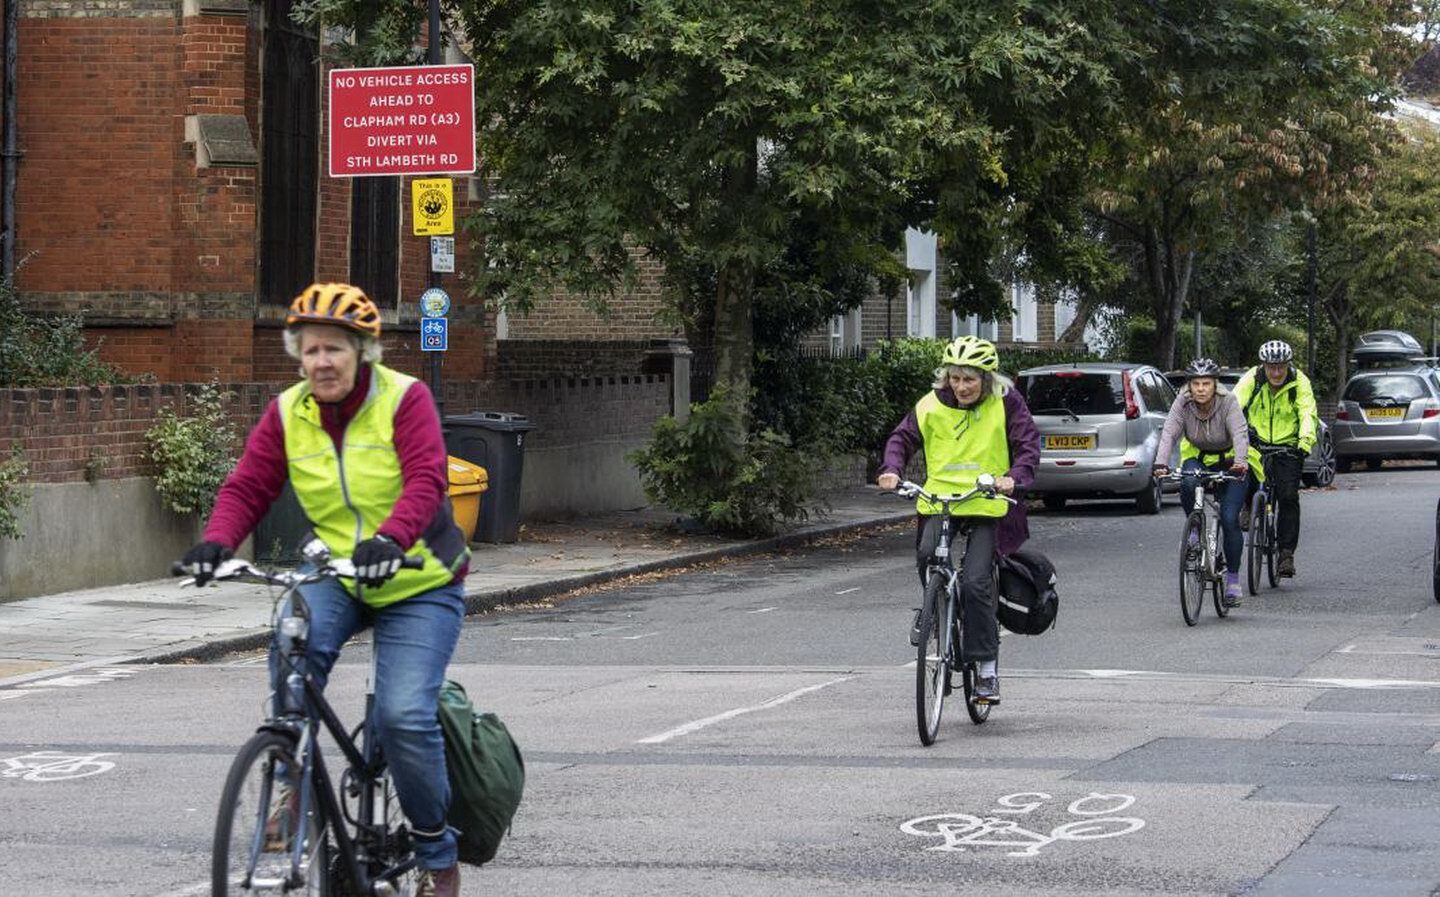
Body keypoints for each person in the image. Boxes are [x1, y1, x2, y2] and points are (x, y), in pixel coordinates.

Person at [181, 282, 470, 897]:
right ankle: (287, 829)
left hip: (417, 577)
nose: (322, 362)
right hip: (336, 575)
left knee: (403, 716)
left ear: (363, 351)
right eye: (311, 350)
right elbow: (248, 486)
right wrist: (217, 541)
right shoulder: (288, 411)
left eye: (335, 349)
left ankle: (436, 853)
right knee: (289, 677)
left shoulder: (403, 399)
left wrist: (391, 538)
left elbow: (427, 479)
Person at [876, 335, 1039, 704]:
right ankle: (934, 606)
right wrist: (891, 469)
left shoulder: (1007, 402)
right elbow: (901, 439)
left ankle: (985, 670)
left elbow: (1028, 444)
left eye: (970, 379)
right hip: (940, 499)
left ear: (987, 377)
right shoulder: (931, 404)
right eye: (955, 378)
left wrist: (1014, 476)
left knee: (977, 582)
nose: (961, 386)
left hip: (987, 501)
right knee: (926, 555)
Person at [1152, 357, 1252, 607]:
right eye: (1195, 383)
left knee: (1229, 518)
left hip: (1231, 462)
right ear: (1190, 385)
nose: (1200, 388)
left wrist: (1240, 462)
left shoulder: (1228, 401)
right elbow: (1169, 432)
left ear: (1214, 384)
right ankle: (1194, 529)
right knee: (1187, 479)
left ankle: (1232, 581)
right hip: (1200, 458)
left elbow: (1240, 434)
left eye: (1206, 383)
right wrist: (1160, 463)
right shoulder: (1182, 403)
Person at [1232, 340, 1316, 578]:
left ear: (1288, 365)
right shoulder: (1253, 378)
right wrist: (1234, 435)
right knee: (1243, 473)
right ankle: (1249, 505)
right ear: (1264, 365)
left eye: (1281, 367)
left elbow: (1307, 411)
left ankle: (1286, 554)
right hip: (1256, 443)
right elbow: (1234, 404)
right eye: (1271, 367)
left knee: (1288, 496)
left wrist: (1304, 442)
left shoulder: (1299, 381)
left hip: (1288, 445)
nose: (1276, 372)